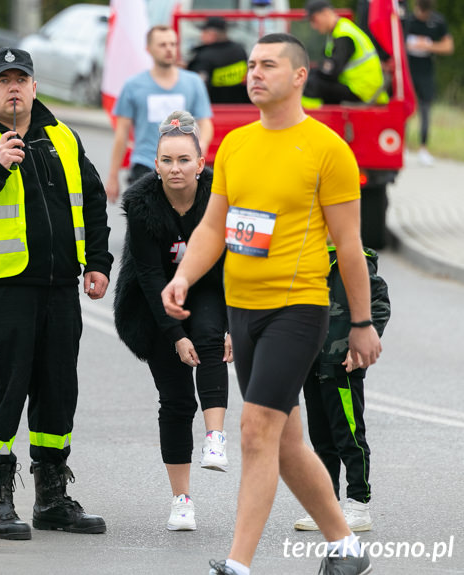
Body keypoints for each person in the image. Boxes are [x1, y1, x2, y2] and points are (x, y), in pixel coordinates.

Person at [160, 33, 382, 575]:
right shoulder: (235, 143)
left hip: (298, 307)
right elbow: (214, 224)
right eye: (252, 64)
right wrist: (185, 275)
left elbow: (350, 248)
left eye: (268, 65)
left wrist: (361, 323)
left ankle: (239, 562)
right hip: (245, 310)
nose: (254, 73)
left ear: (300, 75)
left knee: (256, 429)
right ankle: (346, 546)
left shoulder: (328, 148)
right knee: (285, 442)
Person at [0, 47, 113, 541]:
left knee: (57, 393)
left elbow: (93, 199)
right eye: (2, 80)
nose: (13, 87)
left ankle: (52, 497)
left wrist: (98, 261)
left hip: (58, 289)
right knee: (3, 394)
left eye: (21, 79)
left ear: (34, 87)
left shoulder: (63, 137)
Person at [113, 110, 232, 533]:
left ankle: (216, 437)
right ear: (156, 163)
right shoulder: (142, 203)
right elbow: (148, 277)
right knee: (177, 401)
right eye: (167, 160)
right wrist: (174, 337)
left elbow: (232, 266)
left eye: (184, 160)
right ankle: (182, 500)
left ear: (201, 164)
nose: (175, 168)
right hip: (153, 307)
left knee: (209, 336)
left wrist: (232, 325)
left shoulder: (220, 197)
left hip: (209, 291)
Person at [294, 245, 390, 534]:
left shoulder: (355, 259)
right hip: (310, 365)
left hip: (342, 366)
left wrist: (361, 344)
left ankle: (358, 504)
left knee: (349, 437)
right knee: (321, 440)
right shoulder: (303, 254)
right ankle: (327, 505)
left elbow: (379, 304)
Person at [106, 25, 213, 203]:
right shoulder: (133, 85)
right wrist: (112, 176)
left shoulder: (193, 83)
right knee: (144, 224)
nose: (169, 49)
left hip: (183, 167)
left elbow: (205, 122)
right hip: (146, 164)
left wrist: (202, 144)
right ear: (149, 49)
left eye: (173, 44)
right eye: (162, 45)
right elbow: (121, 133)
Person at [302, 0, 389, 107]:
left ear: (325, 13)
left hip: (362, 90)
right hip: (359, 86)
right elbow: (326, 67)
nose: (313, 26)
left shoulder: (344, 35)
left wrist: (316, 72)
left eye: (314, 20)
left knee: (310, 85)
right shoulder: (339, 31)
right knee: (311, 78)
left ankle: (311, 118)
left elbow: (331, 72)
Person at [404, 0, 454, 166]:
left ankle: (423, 148)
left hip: (426, 71)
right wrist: (409, 45)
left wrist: (428, 45)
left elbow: (448, 46)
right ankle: (402, 146)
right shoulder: (408, 21)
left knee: (425, 109)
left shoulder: (437, 21)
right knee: (405, 108)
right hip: (408, 70)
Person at [187, 17, 251, 104]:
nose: (201, 35)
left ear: (212, 35)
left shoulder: (204, 56)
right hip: (241, 108)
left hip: (214, 109)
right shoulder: (240, 51)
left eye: (204, 32)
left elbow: (197, 87)